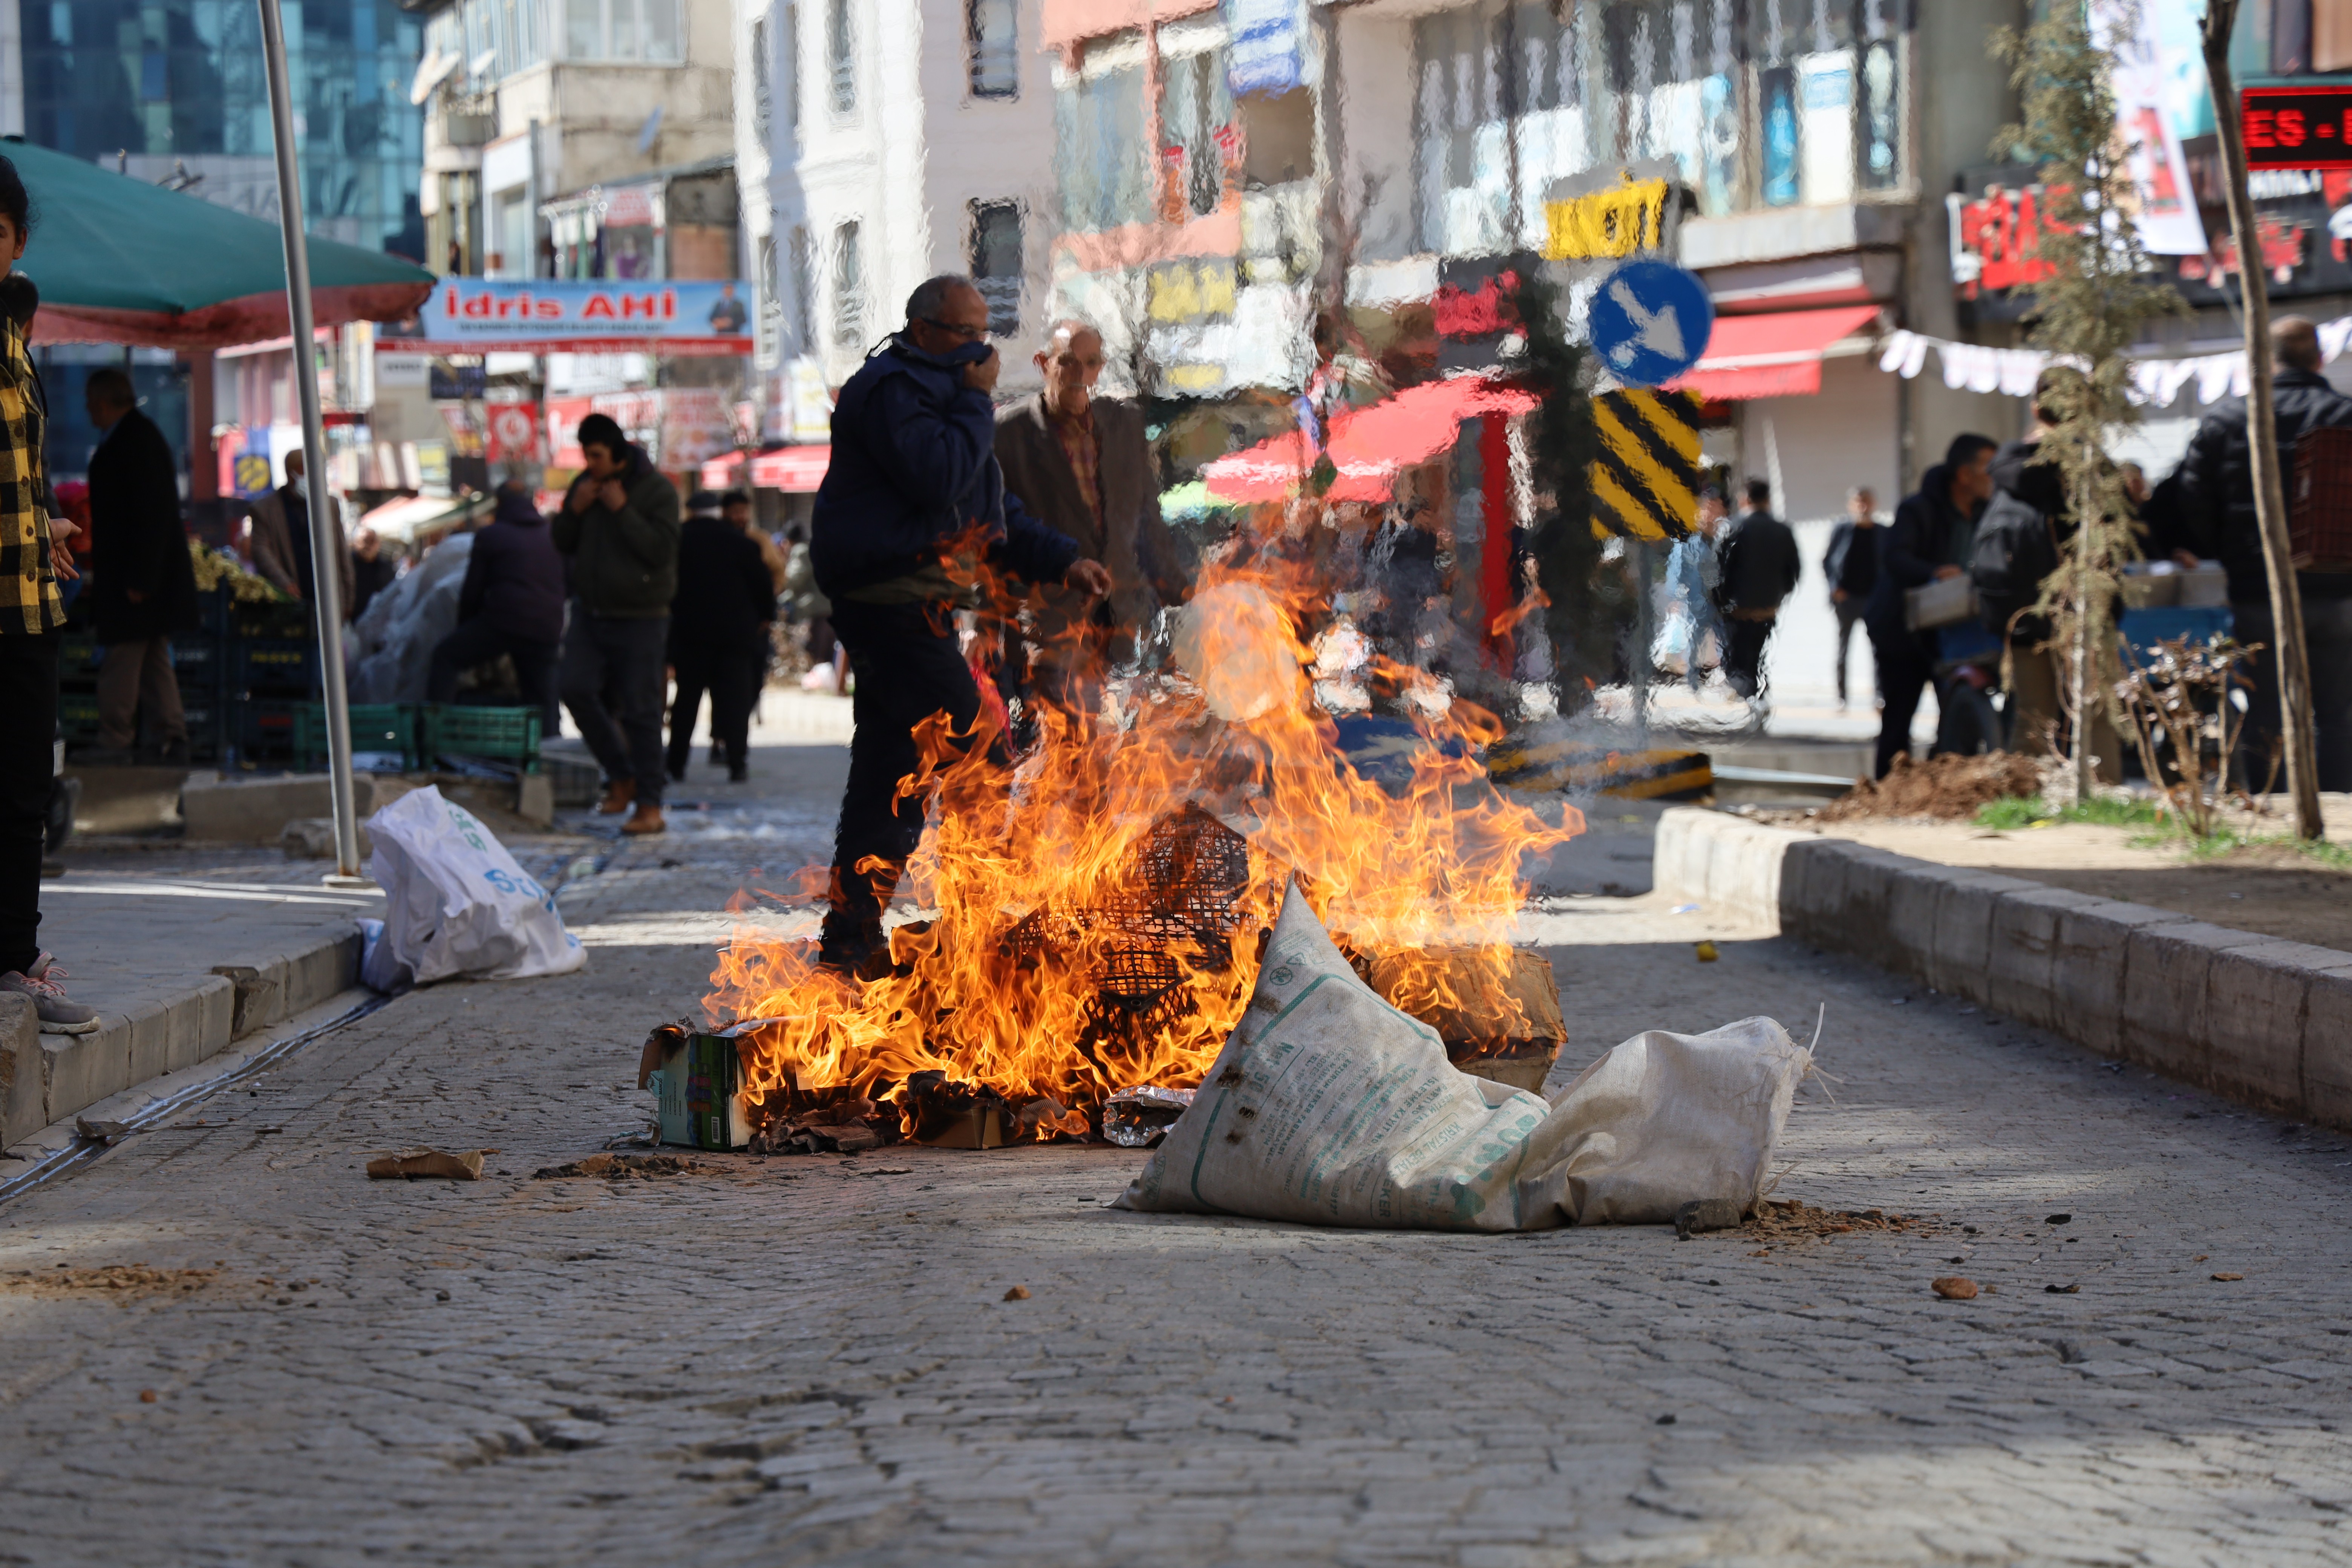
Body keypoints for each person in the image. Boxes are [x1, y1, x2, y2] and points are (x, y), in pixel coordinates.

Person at [810, 274, 1113, 976]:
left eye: (984, 333)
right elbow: (938, 480)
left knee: (892, 770)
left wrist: (1065, 561)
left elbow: (989, 512)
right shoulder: (893, 390)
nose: (980, 349)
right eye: (963, 333)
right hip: (889, 600)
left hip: (923, 605)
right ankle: (977, 927)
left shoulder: (950, 401)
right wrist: (978, 400)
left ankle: (851, 935)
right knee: (977, 749)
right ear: (923, 329)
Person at [0, 159, 98, 1032]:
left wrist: (46, 529)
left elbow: (17, 483)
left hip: (25, 603)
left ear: (17, 243)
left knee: (26, 785)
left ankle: (16, 955)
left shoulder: (13, 350)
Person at [2177, 314, 2352, 790]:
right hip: (2338, 587)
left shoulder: (2229, 419)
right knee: (2338, 710)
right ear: (2320, 357)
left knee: (2265, 705)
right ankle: (2338, 807)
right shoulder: (2345, 414)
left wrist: (2229, 552)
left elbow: (2192, 497)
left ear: (2263, 360)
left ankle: (2270, 805)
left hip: (2257, 588)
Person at [992, 318, 1167, 724]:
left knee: (1121, 756)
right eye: (1068, 361)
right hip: (1049, 625)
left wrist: (1182, 589)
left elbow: (1149, 523)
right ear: (1043, 363)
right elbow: (985, 529)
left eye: (1090, 363)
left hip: (1121, 622)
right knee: (1063, 749)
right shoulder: (1007, 433)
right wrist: (976, 625)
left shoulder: (1122, 426)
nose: (1080, 374)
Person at [1989, 373, 2124, 780]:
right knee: (2097, 713)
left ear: (2035, 409)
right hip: (2087, 608)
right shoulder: (2095, 468)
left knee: (2033, 717)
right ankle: (2105, 795)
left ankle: (2024, 801)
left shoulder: (2009, 468)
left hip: (2025, 613)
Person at [553, 411, 680, 836]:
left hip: (641, 617)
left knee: (643, 711)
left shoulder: (657, 490)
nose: (590, 463)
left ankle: (649, 803)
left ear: (617, 451)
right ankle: (620, 775)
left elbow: (661, 551)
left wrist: (622, 510)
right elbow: (561, 540)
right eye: (586, 455)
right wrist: (575, 509)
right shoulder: (584, 485)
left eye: (597, 455)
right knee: (574, 687)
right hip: (591, 613)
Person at [82, 368, 198, 763]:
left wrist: (140, 578)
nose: (87, 412)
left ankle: (116, 740)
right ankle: (171, 735)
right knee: (152, 660)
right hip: (141, 578)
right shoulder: (137, 437)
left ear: (101, 402)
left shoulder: (135, 442)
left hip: (137, 581)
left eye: (90, 404)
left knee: (123, 660)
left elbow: (153, 516)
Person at [1866, 436, 1996, 778]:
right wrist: (1934, 572)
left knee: (1955, 715)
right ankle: (1887, 792)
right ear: (1965, 475)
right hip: (1902, 630)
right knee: (1899, 716)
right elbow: (1895, 558)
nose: (1994, 476)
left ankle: (1943, 788)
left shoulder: (1986, 510)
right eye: (1988, 468)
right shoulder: (1919, 508)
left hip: (1952, 631)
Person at [427, 476, 565, 735]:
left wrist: (465, 628)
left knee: (445, 657)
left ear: (499, 504)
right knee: (543, 697)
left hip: (505, 622)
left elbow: (472, 592)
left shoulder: (491, 535)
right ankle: (549, 759)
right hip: (546, 627)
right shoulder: (551, 536)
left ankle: (436, 734)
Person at [667, 490, 776, 782]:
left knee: (686, 703)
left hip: (691, 636)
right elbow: (763, 586)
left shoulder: (678, 540)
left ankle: (676, 764)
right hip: (734, 637)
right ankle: (738, 763)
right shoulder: (742, 543)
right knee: (735, 703)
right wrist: (764, 617)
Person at [1712, 478, 1800, 700]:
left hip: (1736, 609)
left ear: (1744, 499)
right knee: (1759, 655)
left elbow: (1718, 570)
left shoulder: (1732, 528)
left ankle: (1746, 695)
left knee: (1736, 657)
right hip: (1767, 608)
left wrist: (1719, 601)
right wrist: (1778, 598)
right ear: (1768, 500)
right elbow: (1794, 571)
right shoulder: (1783, 530)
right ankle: (1756, 698)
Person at [246, 448, 354, 622]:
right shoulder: (264, 510)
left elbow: (342, 553)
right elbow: (261, 550)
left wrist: (349, 598)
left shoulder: (330, 505)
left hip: (329, 602)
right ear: (291, 474)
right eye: (306, 471)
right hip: (290, 605)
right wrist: (285, 584)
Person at [1822, 486, 1879, 710]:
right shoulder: (1842, 530)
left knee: (1878, 650)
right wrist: (1834, 587)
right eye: (1858, 502)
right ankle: (1842, 696)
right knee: (1844, 649)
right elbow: (1827, 561)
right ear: (1851, 505)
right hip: (1846, 600)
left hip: (1873, 600)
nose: (1863, 507)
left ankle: (1880, 695)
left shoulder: (1881, 532)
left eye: (1866, 502)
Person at [349, 525, 398, 618]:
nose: (369, 546)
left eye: (373, 541)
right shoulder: (348, 565)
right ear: (356, 543)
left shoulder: (385, 568)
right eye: (366, 541)